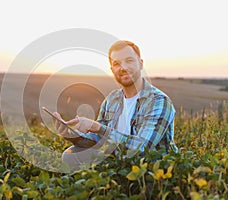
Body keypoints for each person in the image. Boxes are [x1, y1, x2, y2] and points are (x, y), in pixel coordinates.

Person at [54, 40, 178, 170]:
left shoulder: (158, 101)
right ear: (112, 69)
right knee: (70, 154)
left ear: (141, 64)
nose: (123, 68)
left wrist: (97, 127)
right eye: (117, 64)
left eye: (129, 61)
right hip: (118, 161)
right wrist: (71, 134)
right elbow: (97, 141)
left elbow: (142, 149)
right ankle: (106, 183)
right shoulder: (112, 99)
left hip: (149, 169)